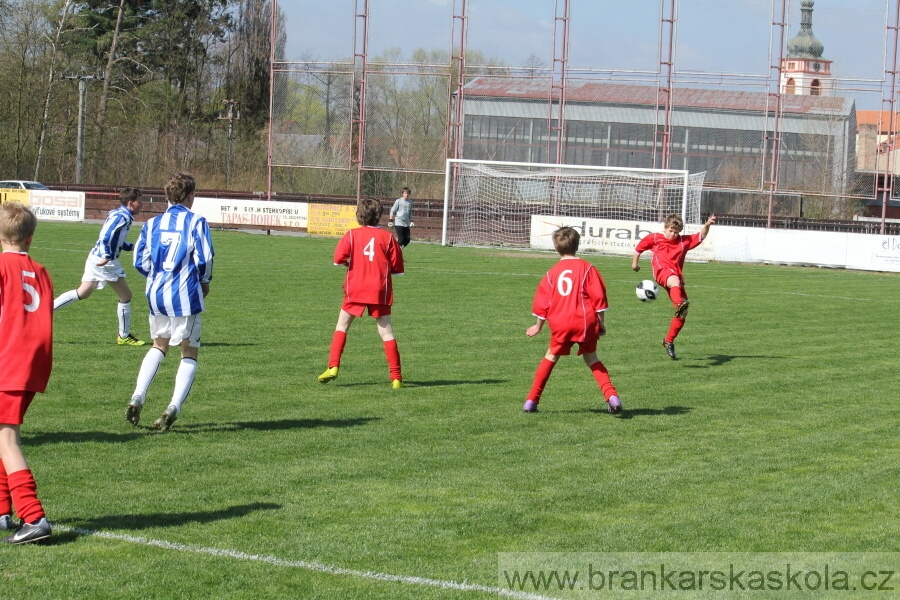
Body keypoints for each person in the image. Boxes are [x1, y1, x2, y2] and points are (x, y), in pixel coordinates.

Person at [125, 173, 214, 431]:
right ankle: (173, 406)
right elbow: (205, 257)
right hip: (185, 293)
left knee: (158, 345)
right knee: (189, 351)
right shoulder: (196, 221)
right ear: (188, 196)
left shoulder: (152, 223)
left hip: (156, 294)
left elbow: (139, 260)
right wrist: (204, 282)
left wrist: (156, 277)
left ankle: (137, 396)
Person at [524, 226, 621, 414]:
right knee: (592, 358)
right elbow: (599, 299)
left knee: (551, 356)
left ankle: (531, 401)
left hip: (560, 322)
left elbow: (542, 303)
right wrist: (600, 323)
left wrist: (538, 326)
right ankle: (612, 397)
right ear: (578, 245)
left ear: (556, 247)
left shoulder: (552, 273)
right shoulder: (588, 268)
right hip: (585, 322)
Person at [0, 203, 53, 544]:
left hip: (7, 360)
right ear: (30, 237)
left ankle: (33, 517)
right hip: (33, 361)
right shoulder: (41, 270)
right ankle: (3, 511)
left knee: (8, 438)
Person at [319, 197, 405, 388]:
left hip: (356, 287)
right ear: (379, 215)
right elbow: (398, 269)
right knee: (386, 331)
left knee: (342, 326)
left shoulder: (351, 235)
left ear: (359, 215)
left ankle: (333, 366)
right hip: (379, 290)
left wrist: (350, 263)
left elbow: (338, 259)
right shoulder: (388, 237)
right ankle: (396, 377)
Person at [53, 187, 146, 346]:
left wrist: (131, 247)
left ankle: (42, 312)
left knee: (83, 292)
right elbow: (106, 235)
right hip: (104, 262)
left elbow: (117, 239)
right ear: (131, 203)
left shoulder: (120, 214)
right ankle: (124, 336)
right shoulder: (122, 217)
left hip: (95, 257)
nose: (141, 205)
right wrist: (107, 256)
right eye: (139, 201)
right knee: (126, 296)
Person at [632, 212, 716, 360]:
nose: (672, 234)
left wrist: (707, 225)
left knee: (683, 313)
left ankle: (668, 341)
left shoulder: (683, 242)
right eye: (670, 230)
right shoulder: (655, 238)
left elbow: (701, 236)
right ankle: (679, 304)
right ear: (665, 228)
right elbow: (639, 249)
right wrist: (635, 264)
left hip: (676, 276)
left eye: (676, 232)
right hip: (662, 272)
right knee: (676, 286)